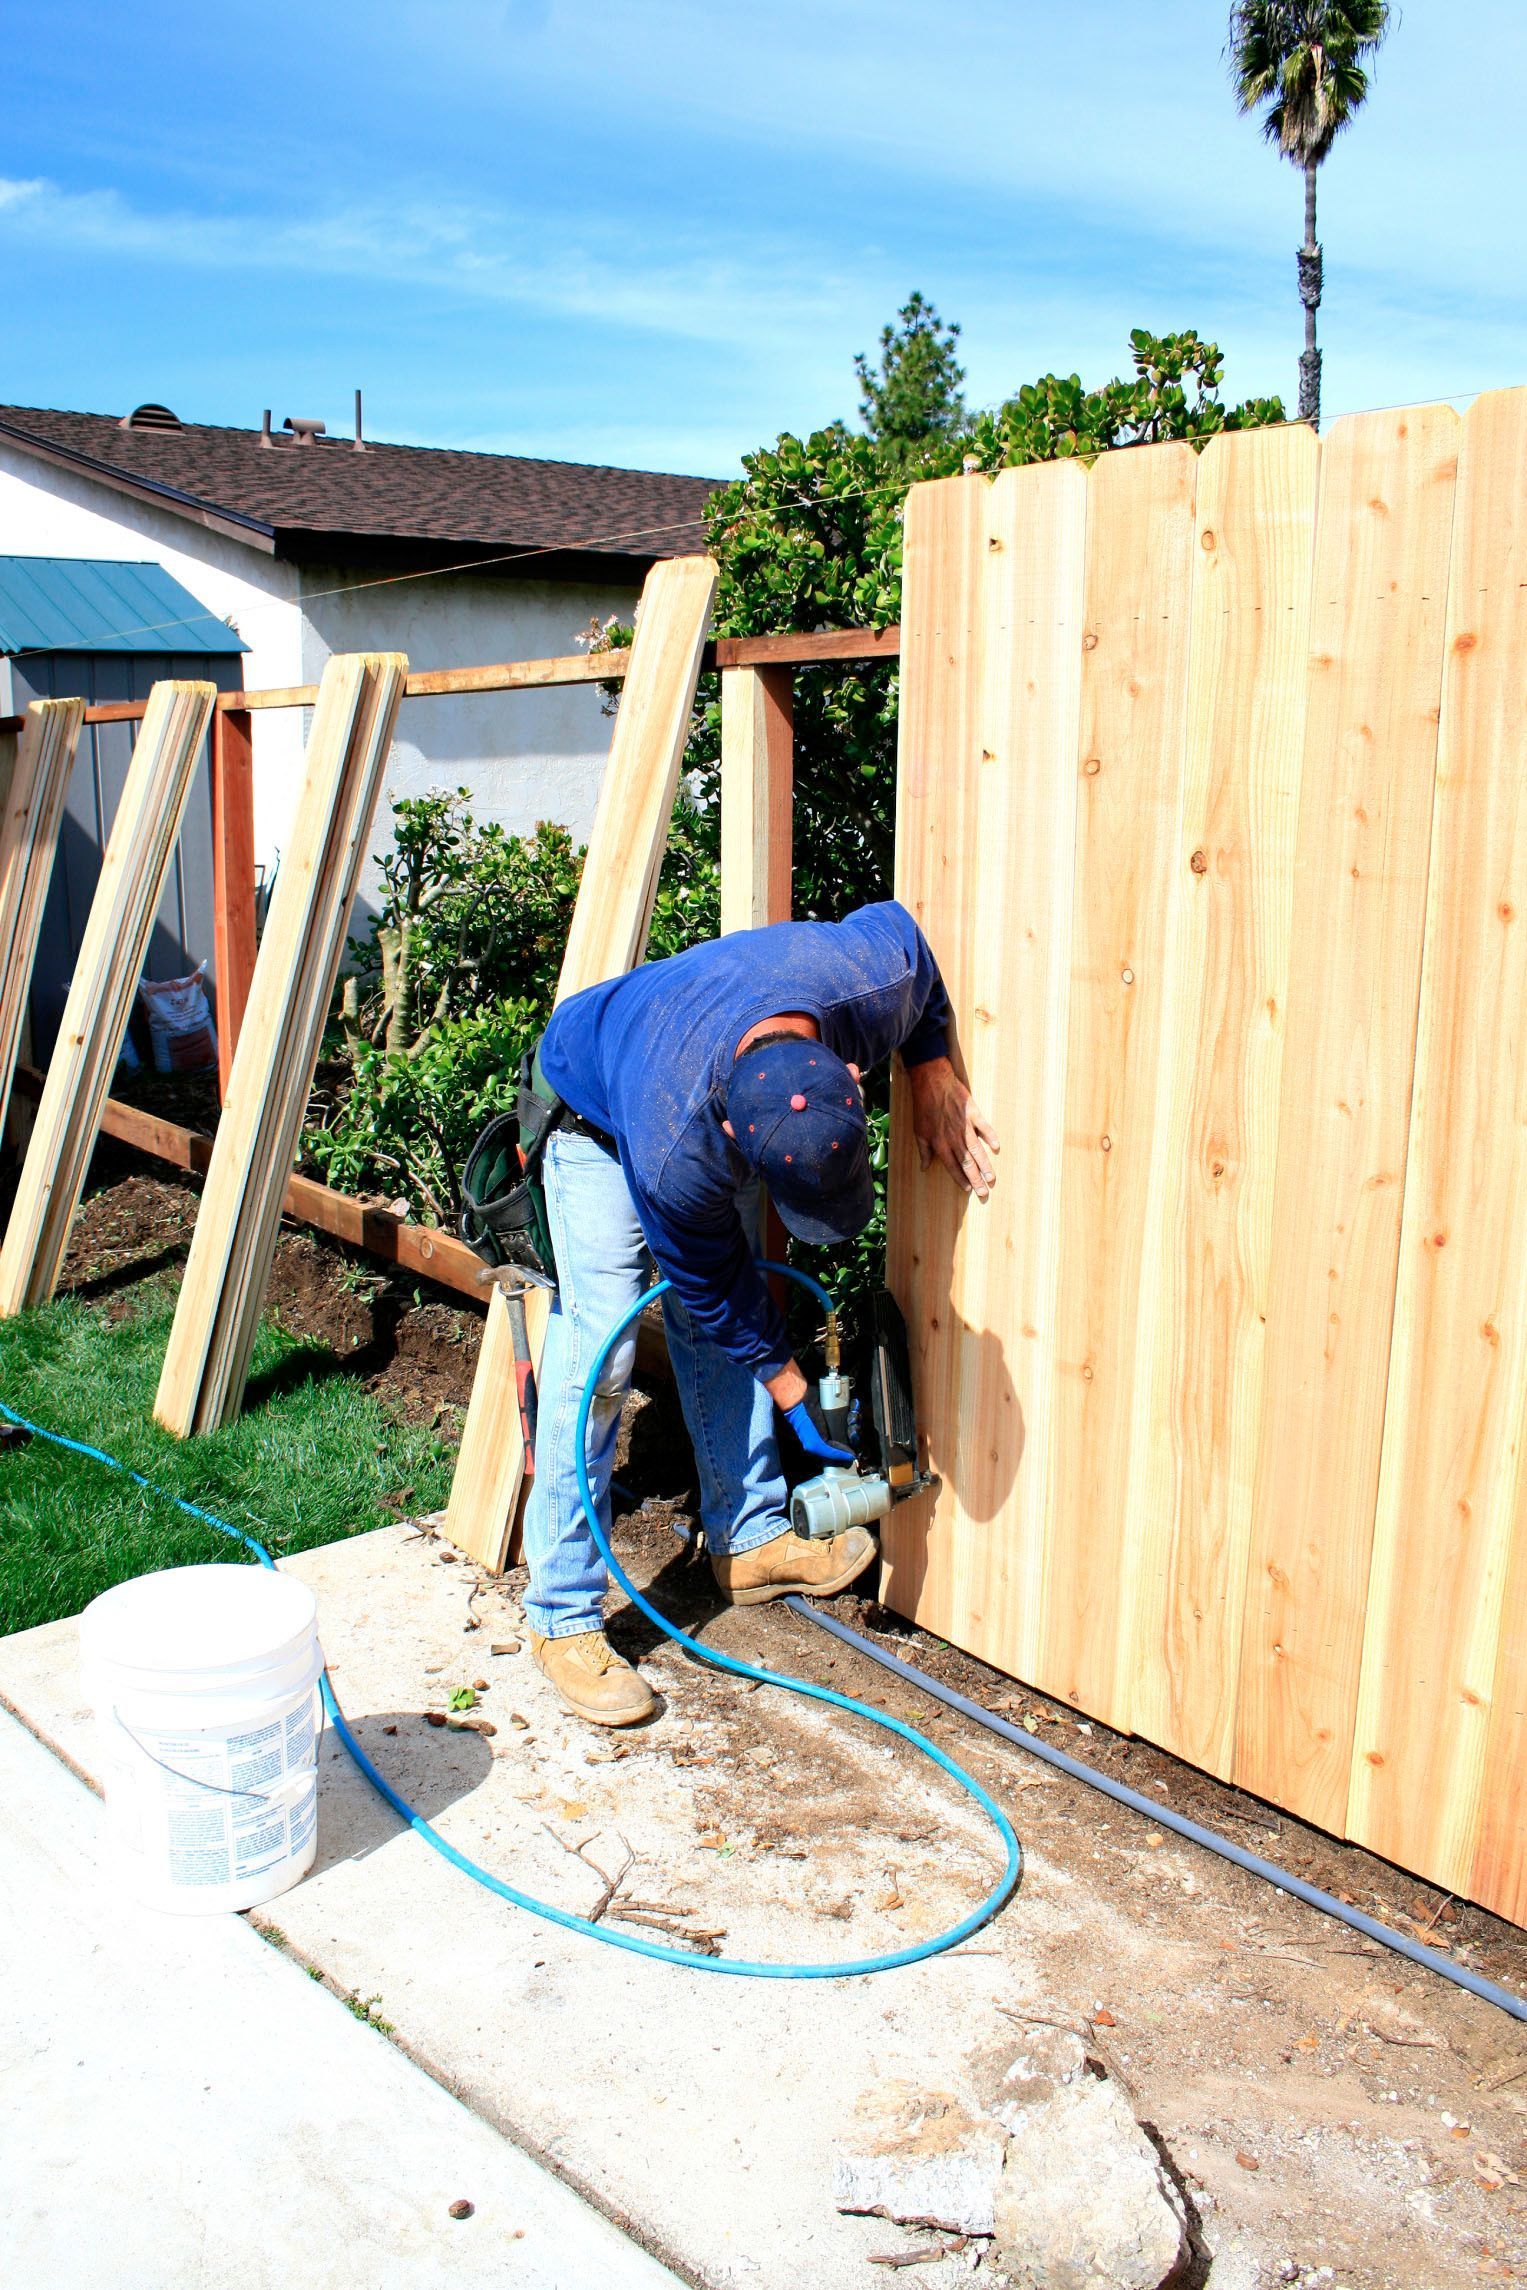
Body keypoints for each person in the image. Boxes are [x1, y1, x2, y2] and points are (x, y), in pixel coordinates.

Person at [521, 898, 999, 1725]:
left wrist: (929, 1065)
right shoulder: (680, 1149)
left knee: (733, 1322)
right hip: (597, 1110)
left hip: (690, 1049)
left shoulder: (867, 986)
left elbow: (910, 938)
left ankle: (748, 1541)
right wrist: (793, 1395)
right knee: (600, 1360)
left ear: (848, 1074)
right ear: (736, 1138)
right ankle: (561, 1618)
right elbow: (707, 1286)